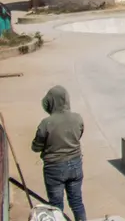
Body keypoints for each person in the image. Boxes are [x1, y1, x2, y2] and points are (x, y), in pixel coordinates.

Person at [31, 85, 86, 221]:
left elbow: (36, 147)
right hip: (75, 165)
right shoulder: (77, 118)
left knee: (55, 206)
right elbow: (79, 135)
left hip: (54, 168)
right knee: (77, 202)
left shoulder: (46, 123)